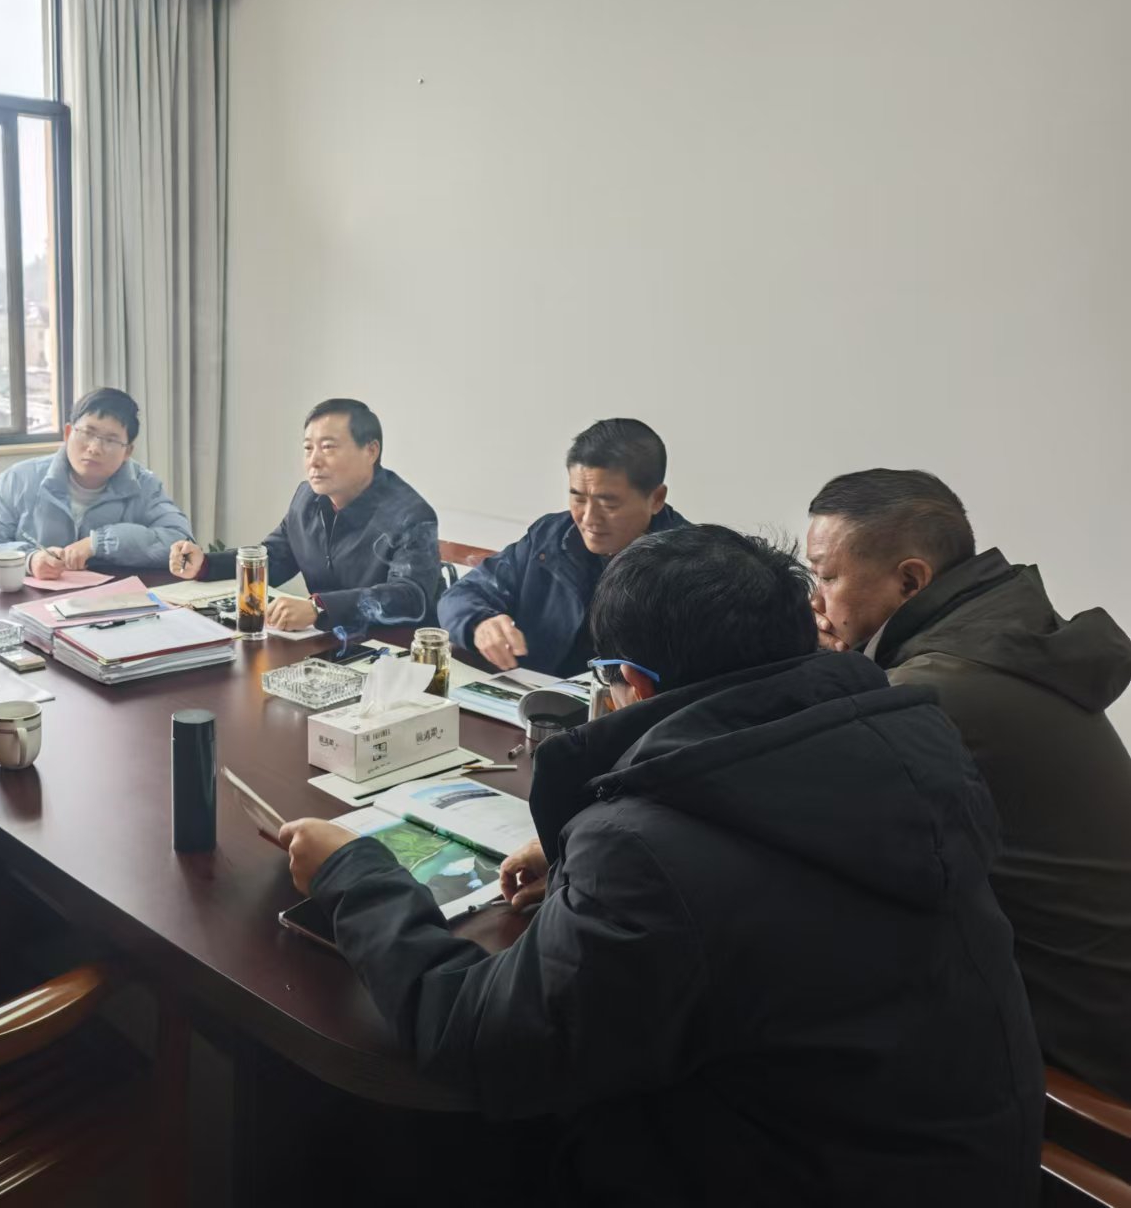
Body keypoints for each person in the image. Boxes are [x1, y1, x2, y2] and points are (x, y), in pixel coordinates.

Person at [278, 525, 1043, 1205]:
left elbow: (481, 1042)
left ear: (633, 682)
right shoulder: (910, 748)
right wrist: (585, 848)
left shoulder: (645, 851)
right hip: (964, 1164)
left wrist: (356, 874)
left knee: (392, 1153)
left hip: (781, 1170)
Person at [809, 467, 1131, 1099]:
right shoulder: (1003, 640)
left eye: (826, 576)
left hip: (1083, 1050)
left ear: (910, 581)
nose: (814, 602)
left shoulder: (933, 691)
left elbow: (810, 824)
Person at [437, 418, 686, 676]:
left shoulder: (691, 565)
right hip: (534, 693)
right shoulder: (551, 537)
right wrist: (479, 623)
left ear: (656, 499)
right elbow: (462, 594)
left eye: (609, 504)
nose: (589, 518)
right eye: (578, 498)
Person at [167, 399, 440, 632]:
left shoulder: (411, 515)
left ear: (371, 451)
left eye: (328, 447)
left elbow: (409, 596)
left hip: (391, 651)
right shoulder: (307, 497)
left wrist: (319, 609)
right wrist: (206, 564)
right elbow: (276, 558)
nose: (314, 461)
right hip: (323, 642)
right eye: (308, 448)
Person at [0, 387, 192, 581]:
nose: (94, 448)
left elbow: (181, 544)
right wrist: (29, 560)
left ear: (127, 451)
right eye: (87, 433)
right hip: (31, 607)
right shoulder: (19, 480)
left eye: (110, 440)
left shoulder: (145, 486)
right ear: (68, 432)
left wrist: (100, 543)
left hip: (114, 606)